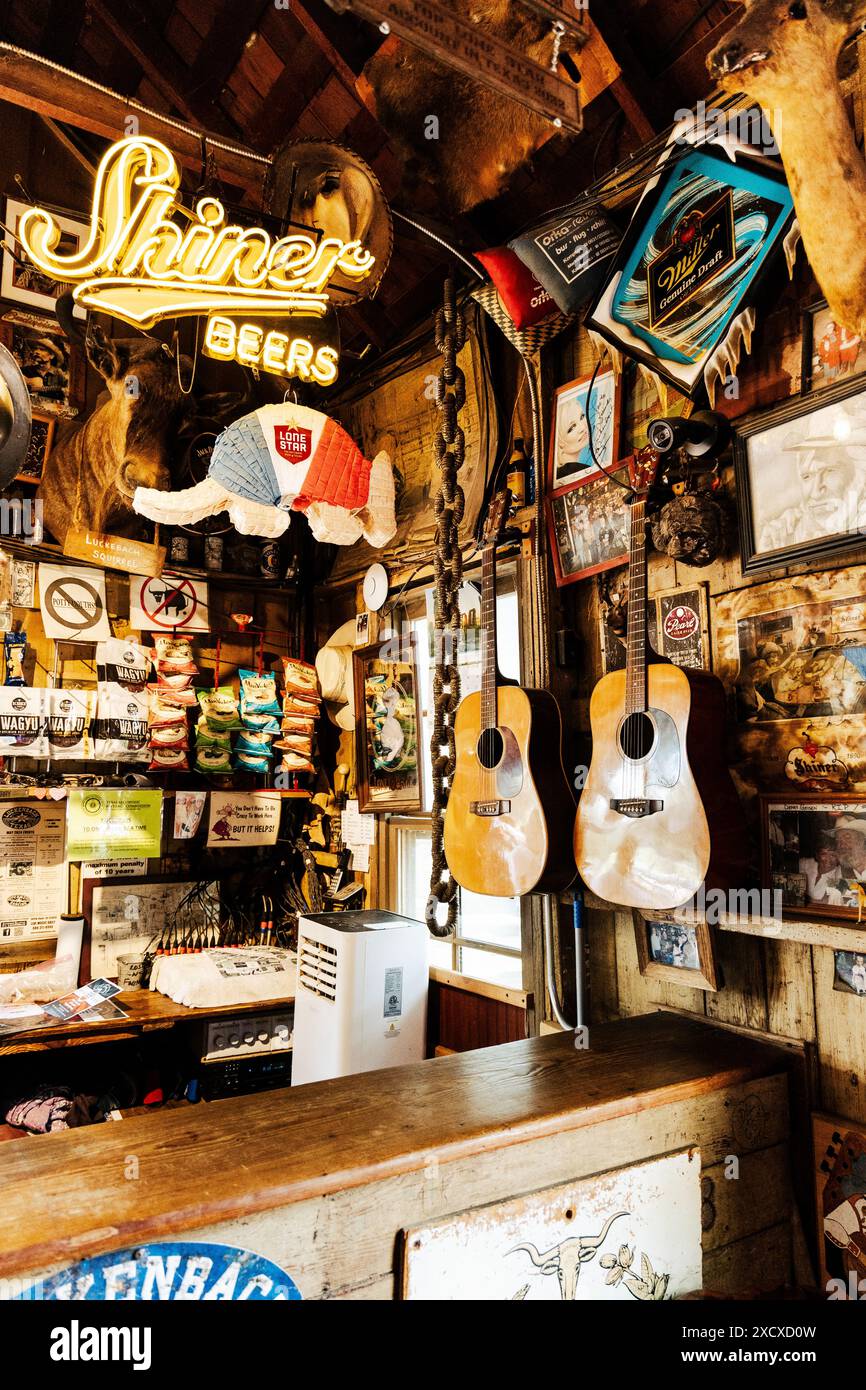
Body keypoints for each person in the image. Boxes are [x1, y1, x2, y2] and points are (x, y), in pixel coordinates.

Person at [757, 406, 866, 551]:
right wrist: (776, 546)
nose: (815, 492)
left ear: (859, 471)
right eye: (807, 476)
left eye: (829, 471)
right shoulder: (798, 526)